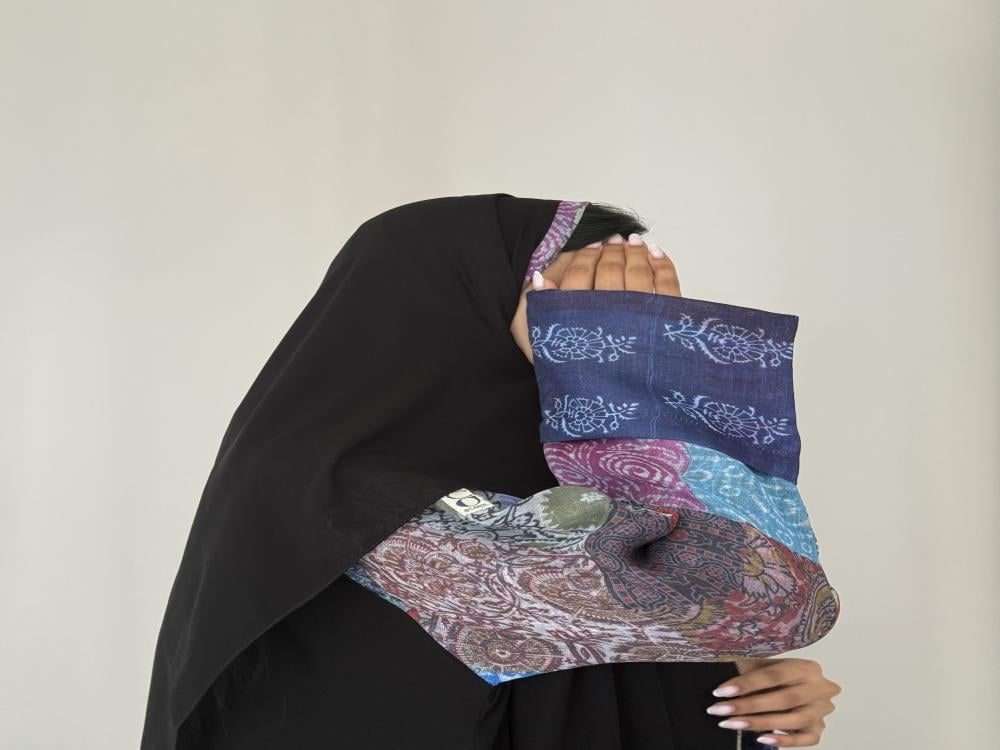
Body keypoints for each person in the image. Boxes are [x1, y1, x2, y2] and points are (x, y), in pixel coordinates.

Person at [142, 195, 840, 750]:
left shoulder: (571, 487)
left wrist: (750, 687)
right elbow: (768, 599)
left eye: (642, 307)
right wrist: (628, 377)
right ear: (455, 304)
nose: (635, 327)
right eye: (591, 295)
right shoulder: (352, 503)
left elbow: (715, 619)